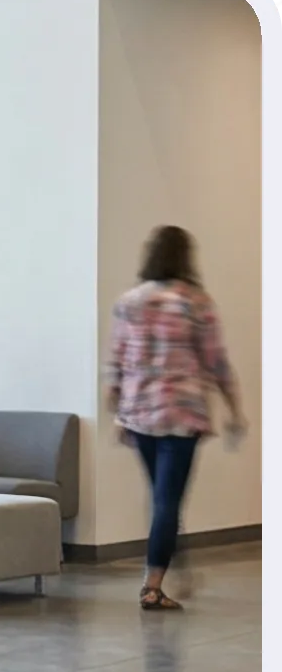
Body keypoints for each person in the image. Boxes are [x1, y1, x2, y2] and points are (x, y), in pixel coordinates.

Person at [105, 224, 244, 611]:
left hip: (139, 416)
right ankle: (152, 586)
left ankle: (170, 563)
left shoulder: (130, 302)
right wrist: (235, 409)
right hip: (182, 417)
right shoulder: (196, 302)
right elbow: (216, 363)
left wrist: (116, 411)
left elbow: (117, 361)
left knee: (163, 499)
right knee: (168, 500)